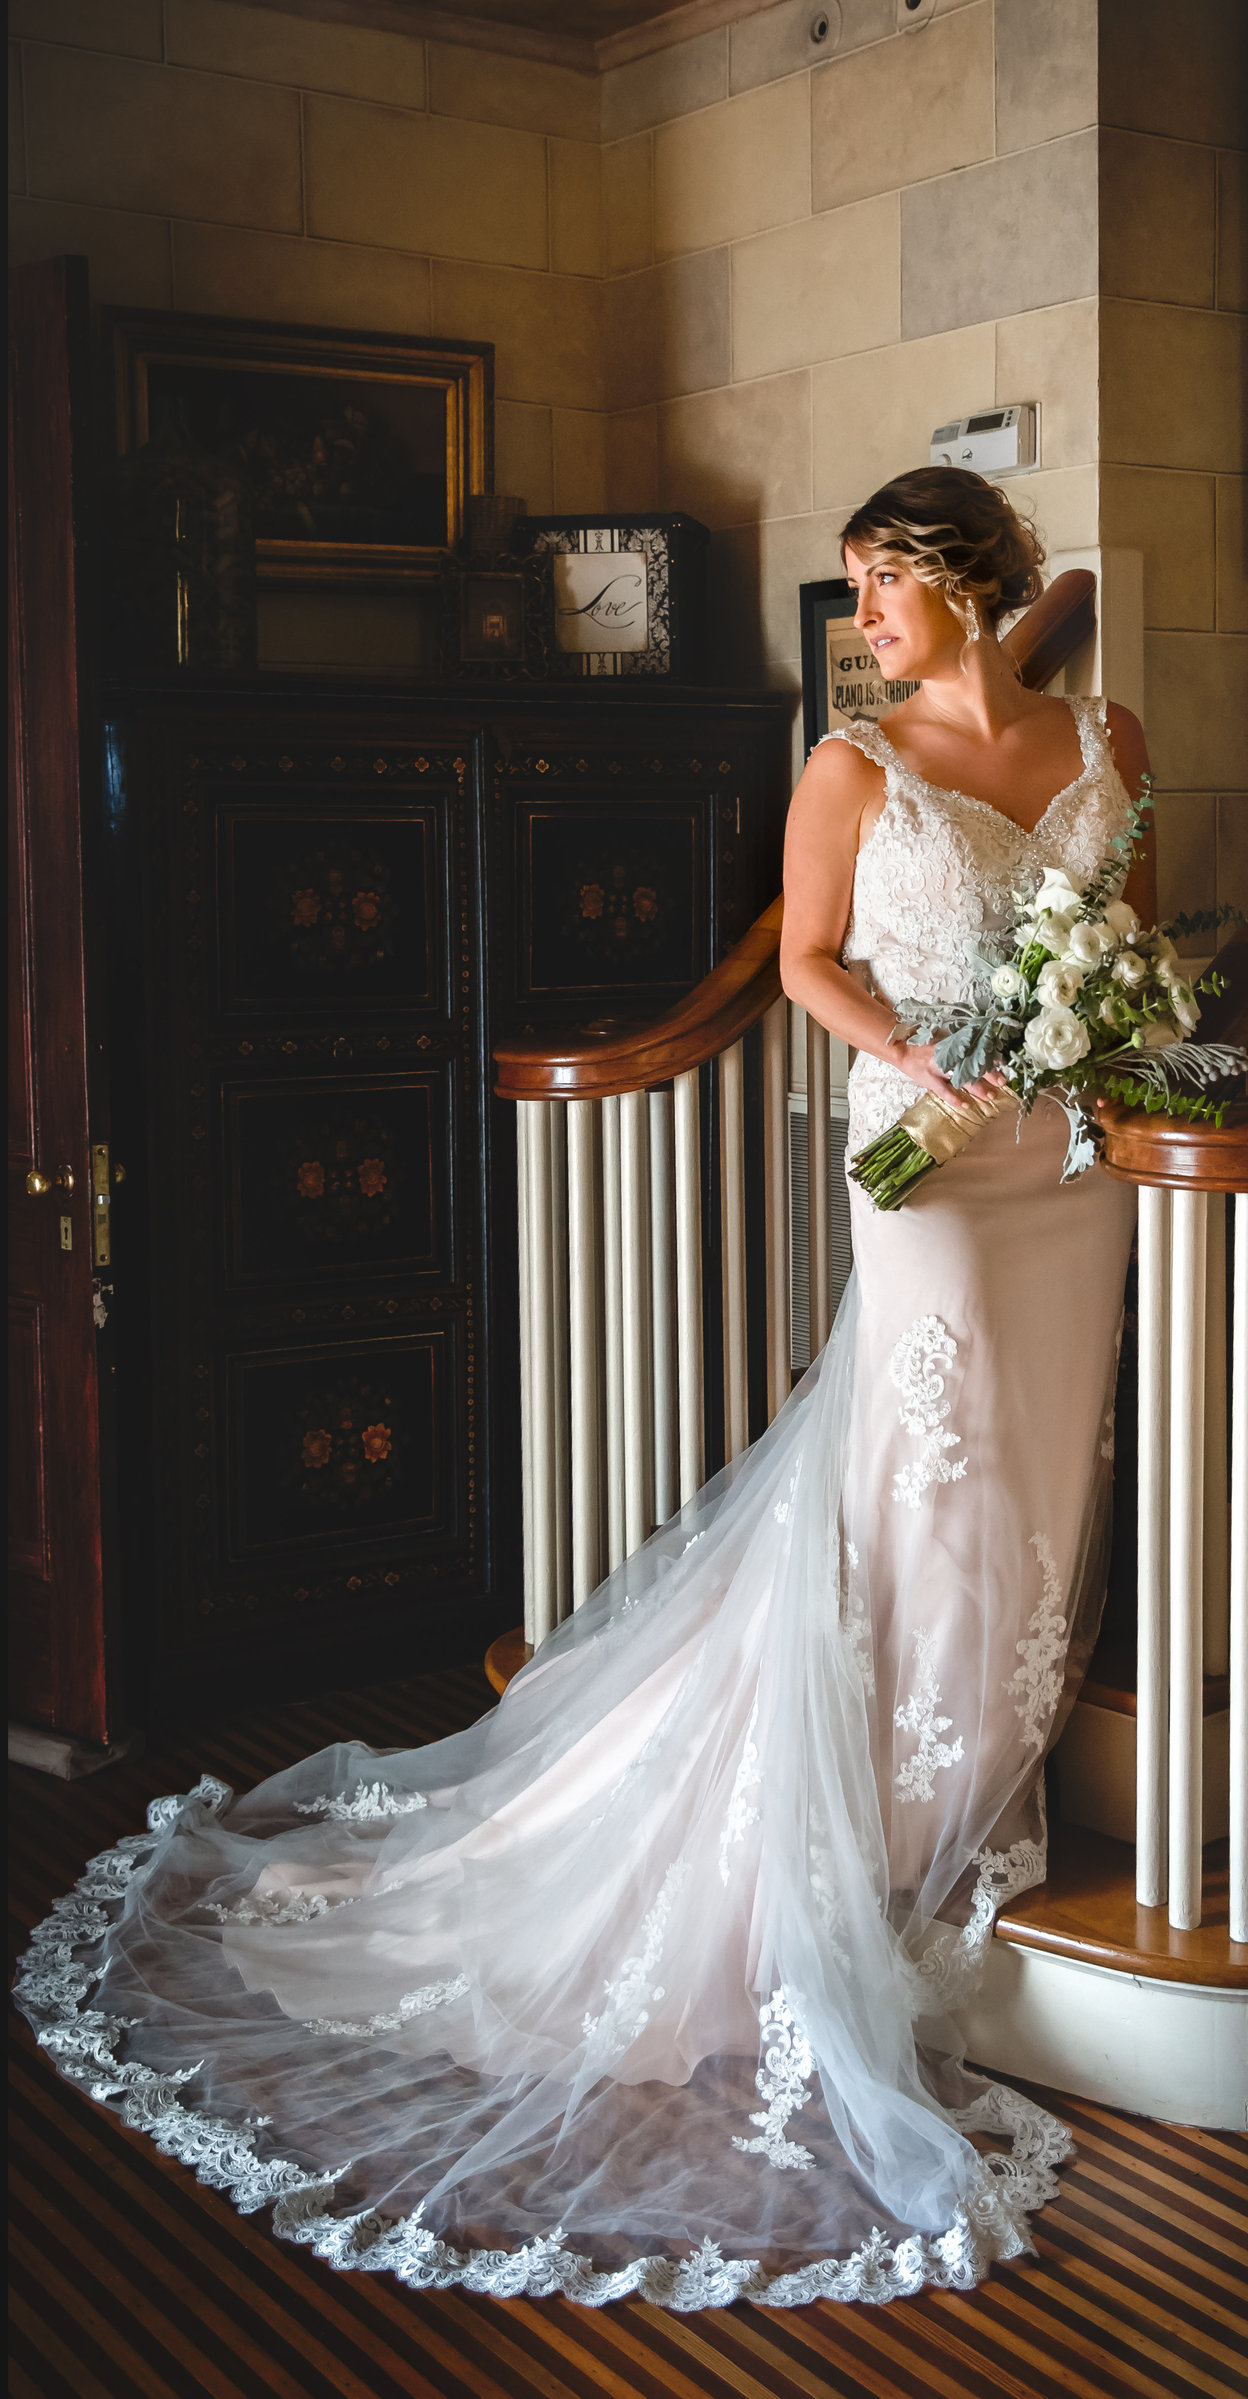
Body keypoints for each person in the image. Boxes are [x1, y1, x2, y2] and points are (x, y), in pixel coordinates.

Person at [16, 468, 1151, 2311]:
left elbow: (1132, 949)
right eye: (855, 588)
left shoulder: (1111, 734)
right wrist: (926, 1057)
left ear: (966, 581)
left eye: (883, 583)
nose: (864, 615)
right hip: (937, 1173)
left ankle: (959, 1798)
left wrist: (1100, 1031)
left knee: (1037, 1488)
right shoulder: (851, 769)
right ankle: (850, 1840)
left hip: (1072, 1180)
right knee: (928, 1487)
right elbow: (802, 963)